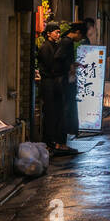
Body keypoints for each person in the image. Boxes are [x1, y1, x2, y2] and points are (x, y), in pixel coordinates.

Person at [57, 22, 85, 154]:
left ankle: (62, 143)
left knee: (66, 111)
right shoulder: (67, 42)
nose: (81, 39)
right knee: (65, 111)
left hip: (65, 81)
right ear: (78, 32)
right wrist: (70, 67)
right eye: (82, 36)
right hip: (65, 82)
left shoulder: (66, 42)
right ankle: (61, 144)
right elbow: (58, 58)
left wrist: (73, 64)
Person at [38, 23, 65, 152]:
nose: (58, 35)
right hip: (48, 83)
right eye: (56, 32)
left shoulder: (54, 45)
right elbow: (51, 66)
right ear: (48, 33)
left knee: (55, 112)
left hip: (54, 83)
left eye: (59, 32)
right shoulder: (45, 47)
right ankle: (48, 141)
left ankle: (53, 140)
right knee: (50, 112)